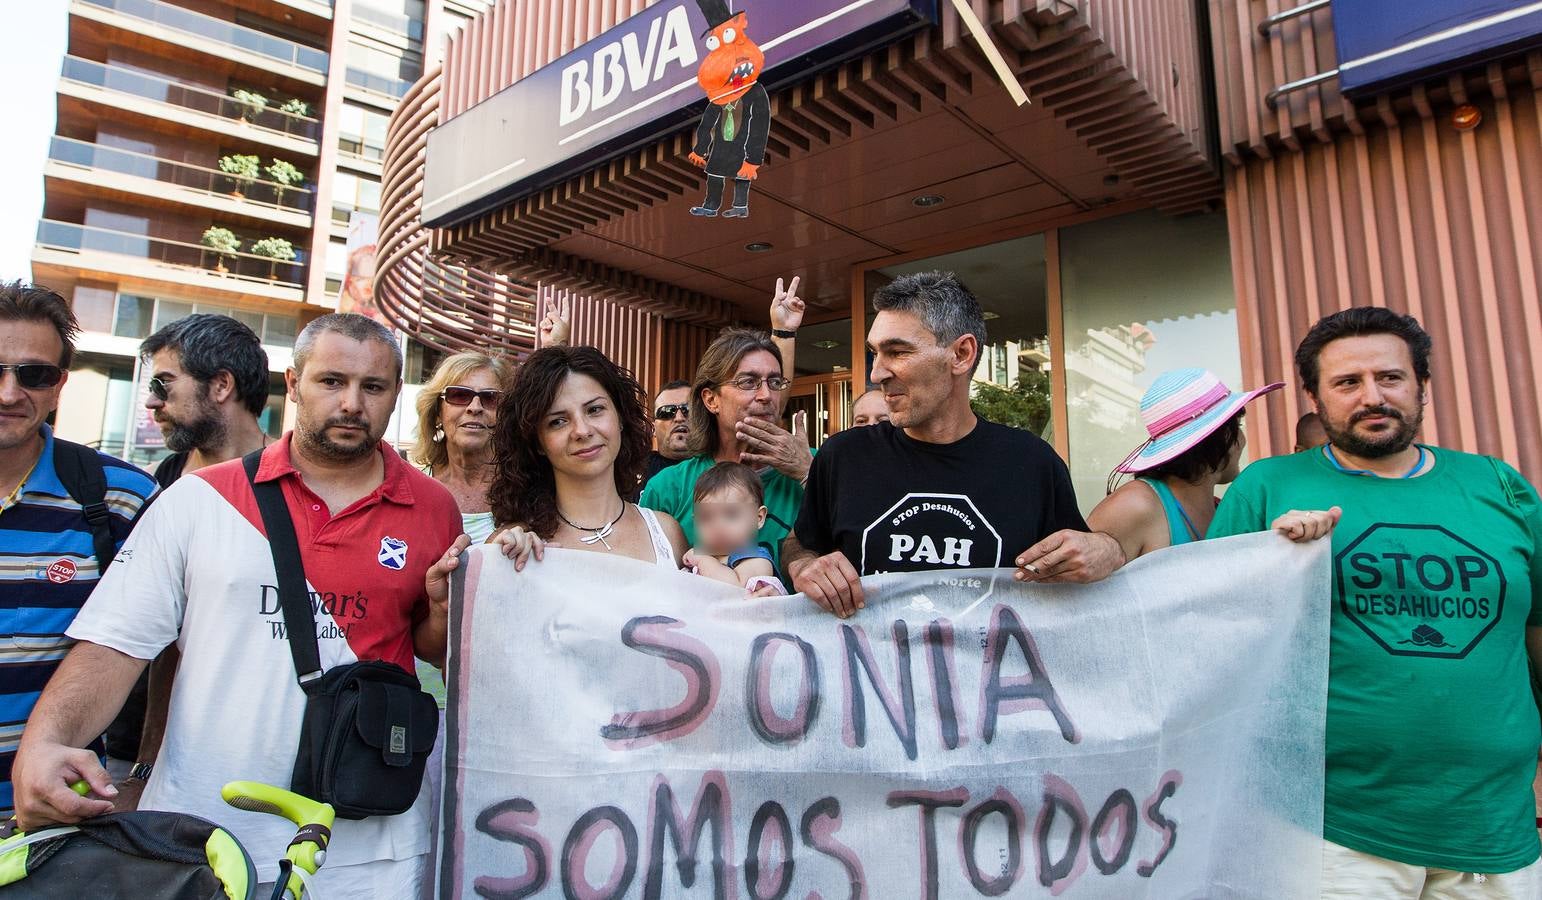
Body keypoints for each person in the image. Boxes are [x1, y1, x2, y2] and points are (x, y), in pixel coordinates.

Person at [12, 313, 465, 899]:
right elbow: (114, 646)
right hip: (201, 834)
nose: (352, 403)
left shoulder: (434, 508)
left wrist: (441, 617)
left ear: (394, 396)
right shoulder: (199, 499)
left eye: (372, 388)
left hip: (371, 841)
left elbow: (426, 648)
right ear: (293, 381)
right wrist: (46, 742)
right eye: (331, 382)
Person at [1209, 306, 1542, 896]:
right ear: (1315, 397)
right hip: (1333, 829)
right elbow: (1211, 636)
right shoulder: (1266, 487)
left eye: (1390, 378)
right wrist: (1275, 565)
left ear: (1420, 386)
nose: (1372, 396)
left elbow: (1537, 629)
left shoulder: (1500, 485)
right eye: (1347, 383)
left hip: (1495, 823)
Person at [783, 271, 1125, 618]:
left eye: (898, 352)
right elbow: (800, 544)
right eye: (875, 353)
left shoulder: (1031, 463)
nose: (877, 374)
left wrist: (1109, 549)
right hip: (871, 670)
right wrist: (804, 565)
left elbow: (1081, 567)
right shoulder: (844, 456)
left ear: (961, 354)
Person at [0, 282, 158, 817]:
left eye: (33, 374)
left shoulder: (120, 498)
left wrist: (144, 773)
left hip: (46, 826)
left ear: (59, 383)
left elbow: (172, 656)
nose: (8, 393)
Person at [106, 313, 274, 807]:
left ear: (221, 385)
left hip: (242, 763)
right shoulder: (155, 485)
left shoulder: (291, 490)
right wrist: (142, 766)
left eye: (164, 382)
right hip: (132, 753)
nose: (153, 400)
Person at [481, 345, 688, 571]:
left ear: (620, 417)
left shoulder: (667, 533)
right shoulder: (513, 545)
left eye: (594, 410)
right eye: (558, 421)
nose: (582, 430)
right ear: (537, 442)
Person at [640, 329, 808, 574]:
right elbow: (649, 584)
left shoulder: (815, 463)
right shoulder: (668, 487)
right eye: (748, 382)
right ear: (711, 400)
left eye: (774, 382)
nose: (766, 395)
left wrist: (808, 472)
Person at [1087, 368, 1281, 561]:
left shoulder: (1221, 509)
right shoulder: (1135, 505)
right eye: (1238, 427)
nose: (1243, 439)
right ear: (1225, 436)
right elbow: (1074, 585)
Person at [411, 351, 516, 545]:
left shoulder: (527, 491)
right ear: (436, 414)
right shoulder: (410, 489)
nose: (475, 407)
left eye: (491, 398)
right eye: (459, 395)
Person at [682, 462, 785, 594]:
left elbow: (735, 589)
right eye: (706, 517)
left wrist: (703, 560)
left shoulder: (757, 559)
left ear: (758, 518)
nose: (718, 527)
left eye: (731, 515)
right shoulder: (701, 558)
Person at [644, 379, 692, 487]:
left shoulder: (719, 468)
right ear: (653, 428)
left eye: (688, 410)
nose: (679, 418)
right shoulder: (631, 470)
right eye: (666, 412)